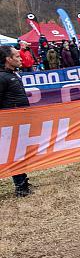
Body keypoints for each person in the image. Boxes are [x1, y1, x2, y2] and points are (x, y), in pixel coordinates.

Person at [0, 45, 34, 196]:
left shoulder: (13, 74)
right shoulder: (2, 77)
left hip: (19, 121)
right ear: (8, 59)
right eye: (17, 56)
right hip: (10, 122)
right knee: (14, 153)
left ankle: (23, 179)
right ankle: (20, 187)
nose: (20, 59)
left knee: (20, 152)